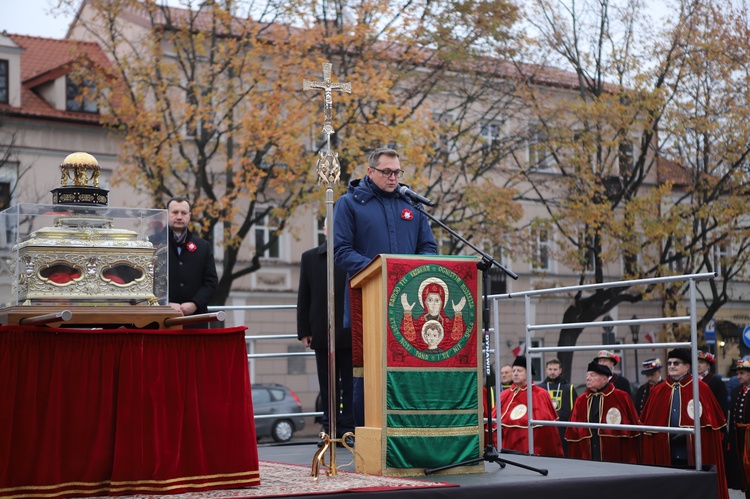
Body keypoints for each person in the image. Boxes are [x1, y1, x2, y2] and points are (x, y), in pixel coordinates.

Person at [334, 147, 438, 426]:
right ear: (370, 172)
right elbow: (341, 251)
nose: (393, 178)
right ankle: (367, 432)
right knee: (369, 372)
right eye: (387, 172)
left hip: (410, 302)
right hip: (368, 301)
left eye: (397, 172)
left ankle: (408, 430)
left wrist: (414, 270)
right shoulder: (349, 204)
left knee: (409, 367)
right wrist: (383, 270)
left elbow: (428, 247)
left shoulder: (411, 205)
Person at [641, 348, 729, 499]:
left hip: (694, 453)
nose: (672, 366)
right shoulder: (658, 390)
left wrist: (688, 435)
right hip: (666, 452)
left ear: (687, 367)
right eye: (669, 363)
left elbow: (713, 427)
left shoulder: (701, 388)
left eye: (676, 363)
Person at [297, 221, 354, 446]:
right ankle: (329, 429)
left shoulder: (353, 257)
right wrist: (304, 331)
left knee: (350, 384)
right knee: (327, 384)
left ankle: (348, 430)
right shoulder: (310, 258)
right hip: (322, 330)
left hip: (350, 331)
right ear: (324, 229)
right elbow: (304, 296)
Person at [565, 361, 641, 463]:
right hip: (588, 452)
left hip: (614, 453)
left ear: (605, 379)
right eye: (587, 375)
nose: (588, 378)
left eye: (592, 375)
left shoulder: (621, 397)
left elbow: (633, 431)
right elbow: (574, 432)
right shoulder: (581, 400)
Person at [492, 356, 564, 457]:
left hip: (531, 448)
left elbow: (547, 431)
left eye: (519, 371)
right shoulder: (504, 395)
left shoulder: (540, 394)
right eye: (514, 371)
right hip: (506, 448)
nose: (516, 373)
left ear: (528, 373)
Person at [165, 197, 218, 328]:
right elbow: (147, 282)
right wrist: (165, 304)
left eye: (183, 213)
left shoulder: (203, 246)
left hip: (195, 320)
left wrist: (195, 304)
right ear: (166, 214)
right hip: (162, 319)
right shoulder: (153, 243)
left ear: (189, 216)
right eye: (175, 212)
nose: (179, 217)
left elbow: (211, 282)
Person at [542, 358, 578, 455]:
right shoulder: (540, 388)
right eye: (550, 369)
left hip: (563, 429)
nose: (552, 372)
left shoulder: (568, 388)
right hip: (545, 428)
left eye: (555, 369)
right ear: (546, 370)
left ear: (560, 370)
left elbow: (575, 410)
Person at [727, 357, 750, 497]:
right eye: (738, 373)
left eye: (741, 373)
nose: (738, 376)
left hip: (749, 436)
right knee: (742, 467)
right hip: (739, 436)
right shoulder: (736, 391)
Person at [698, 350, 728, 416]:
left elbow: (722, 406)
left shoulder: (717, 382)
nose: (698, 365)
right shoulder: (690, 380)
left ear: (708, 365)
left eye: (701, 362)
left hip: (711, 419)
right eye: (695, 362)